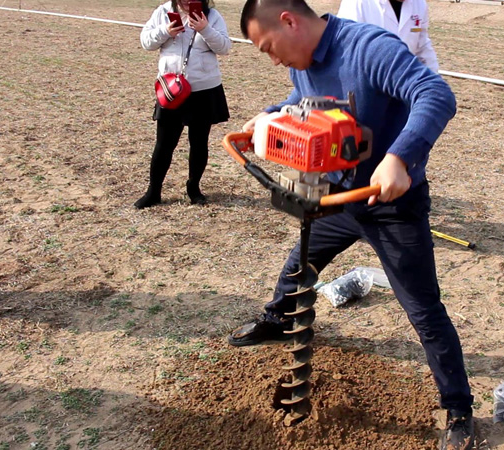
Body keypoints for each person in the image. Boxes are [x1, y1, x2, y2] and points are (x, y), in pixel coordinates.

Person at [227, 1, 474, 448]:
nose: (274, 59)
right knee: (301, 260)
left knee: (422, 309)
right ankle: (278, 319)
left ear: (289, 21)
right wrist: (271, 114)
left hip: (391, 204)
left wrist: (399, 158)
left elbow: (436, 94)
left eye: (269, 49)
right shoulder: (303, 62)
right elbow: (308, 104)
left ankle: (458, 409)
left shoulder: (369, 48)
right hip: (340, 197)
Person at [136, 0, 231, 209]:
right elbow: (146, 42)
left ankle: (194, 188)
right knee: (164, 143)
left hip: (204, 89)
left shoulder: (212, 16)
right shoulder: (163, 12)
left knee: (199, 142)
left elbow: (225, 47)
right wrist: (165, 31)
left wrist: (205, 29)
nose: (188, 1)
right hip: (172, 89)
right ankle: (154, 191)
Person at [337, 0, 439, 72]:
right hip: (368, 83)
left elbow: (422, 47)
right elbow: (345, 48)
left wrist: (435, 82)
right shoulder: (357, 3)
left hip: (404, 82)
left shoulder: (419, 4)